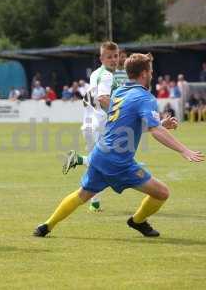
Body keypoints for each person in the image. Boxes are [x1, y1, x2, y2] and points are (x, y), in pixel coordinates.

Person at [34, 53, 204, 238]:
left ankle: (46, 226)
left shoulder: (120, 92)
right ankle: (137, 221)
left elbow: (128, 127)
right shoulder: (145, 98)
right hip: (119, 162)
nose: (152, 74)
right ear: (144, 73)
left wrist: (160, 125)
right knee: (162, 193)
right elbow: (155, 132)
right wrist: (183, 150)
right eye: (151, 71)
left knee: (82, 194)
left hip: (101, 154)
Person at [62, 41, 120, 212]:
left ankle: (94, 203)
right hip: (101, 125)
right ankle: (78, 159)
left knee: (98, 165)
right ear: (101, 58)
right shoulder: (108, 76)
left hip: (89, 124)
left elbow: (91, 97)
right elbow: (103, 99)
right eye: (109, 57)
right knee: (107, 164)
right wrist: (119, 114)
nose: (113, 60)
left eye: (116, 56)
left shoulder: (96, 73)